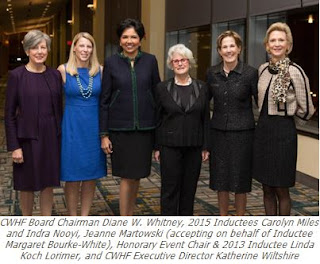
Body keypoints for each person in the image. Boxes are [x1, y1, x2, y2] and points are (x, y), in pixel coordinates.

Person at [99, 18, 161, 216]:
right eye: (125, 37)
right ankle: (125, 220)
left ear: (141, 39)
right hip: (121, 129)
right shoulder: (111, 62)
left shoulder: (150, 61)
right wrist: (104, 134)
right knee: (126, 177)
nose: (129, 41)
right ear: (119, 40)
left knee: (138, 176)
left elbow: (157, 93)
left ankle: (130, 213)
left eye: (134, 37)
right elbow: (105, 100)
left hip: (145, 129)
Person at [253, 22, 314, 216]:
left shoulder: (295, 71)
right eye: (273, 40)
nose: (277, 44)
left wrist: (288, 116)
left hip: (284, 136)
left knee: (281, 189)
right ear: (267, 45)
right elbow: (258, 101)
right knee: (266, 188)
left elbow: (307, 109)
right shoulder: (262, 70)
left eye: (281, 40)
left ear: (288, 45)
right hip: (263, 133)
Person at [5, 30, 62, 216]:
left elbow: (59, 108)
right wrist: (14, 146)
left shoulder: (54, 75)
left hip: (50, 138)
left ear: (48, 50)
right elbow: (9, 113)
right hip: (26, 139)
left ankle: (46, 224)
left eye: (43, 47)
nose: (39, 51)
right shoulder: (17, 76)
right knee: (26, 185)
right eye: (34, 47)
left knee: (48, 183)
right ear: (27, 51)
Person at [154, 44, 209, 215]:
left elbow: (205, 118)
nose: (179, 63)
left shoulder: (202, 88)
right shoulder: (162, 88)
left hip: (194, 146)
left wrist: (206, 146)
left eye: (183, 59)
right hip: (169, 146)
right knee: (170, 190)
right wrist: (156, 147)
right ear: (171, 64)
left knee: (189, 191)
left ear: (189, 62)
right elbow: (157, 119)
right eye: (175, 61)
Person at [206, 31, 258, 216]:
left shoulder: (251, 73)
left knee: (240, 179)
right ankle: (223, 219)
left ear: (239, 48)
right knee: (221, 179)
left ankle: (239, 220)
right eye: (224, 47)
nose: (229, 50)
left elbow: (261, 102)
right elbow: (203, 103)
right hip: (218, 133)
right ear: (219, 51)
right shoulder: (212, 73)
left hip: (243, 134)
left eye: (232, 46)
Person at [58, 32, 106, 216]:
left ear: (92, 49)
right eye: (82, 46)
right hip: (71, 128)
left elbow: (106, 102)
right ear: (74, 48)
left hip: (94, 128)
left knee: (90, 175)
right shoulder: (63, 70)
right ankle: (72, 217)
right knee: (72, 176)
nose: (85, 50)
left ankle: (84, 217)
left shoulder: (100, 71)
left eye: (89, 46)